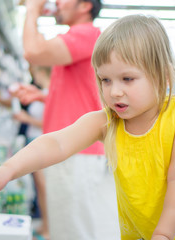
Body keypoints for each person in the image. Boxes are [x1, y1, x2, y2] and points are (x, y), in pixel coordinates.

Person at [0, 15, 175, 240]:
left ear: (159, 73)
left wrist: (163, 233)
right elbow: (56, 143)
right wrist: (6, 170)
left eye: (127, 78)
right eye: (106, 80)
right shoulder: (107, 121)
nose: (115, 92)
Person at [16, 0, 118, 239]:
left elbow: (33, 52)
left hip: (75, 151)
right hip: (72, 150)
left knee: (72, 231)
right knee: (67, 228)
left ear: (84, 6)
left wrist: (32, 10)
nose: (58, 2)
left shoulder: (84, 34)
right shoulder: (80, 38)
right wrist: (43, 97)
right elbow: (81, 91)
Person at [12, 66, 51, 240]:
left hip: (43, 144)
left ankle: (48, 229)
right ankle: (46, 225)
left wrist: (26, 118)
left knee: (43, 187)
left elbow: (50, 123)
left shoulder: (49, 93)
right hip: (34, 142)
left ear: (41, 72)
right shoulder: (42, 92)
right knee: (39, 188)